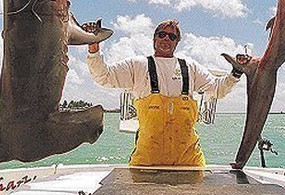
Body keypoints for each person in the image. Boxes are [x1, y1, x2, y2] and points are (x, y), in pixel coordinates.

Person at [82, 19, 257, 167]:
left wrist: (236, 72)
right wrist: (93, 46)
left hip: (190, 162)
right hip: (147, 163)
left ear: (177, 42)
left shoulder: (190, 67)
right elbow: (103, 76)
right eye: (162, 34)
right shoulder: (137, 65)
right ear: (154, 38)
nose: (166, 38)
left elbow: (218, 90)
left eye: (172, 36)